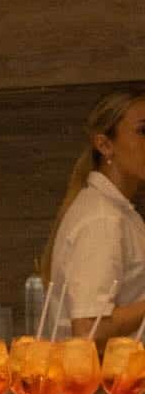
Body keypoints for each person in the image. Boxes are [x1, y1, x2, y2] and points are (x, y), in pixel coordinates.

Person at [49, 86, 145, 339]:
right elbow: (89, 329)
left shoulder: (119, 212)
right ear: (104, 144)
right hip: (102, 367)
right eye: (143, 131)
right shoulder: (102, 219)